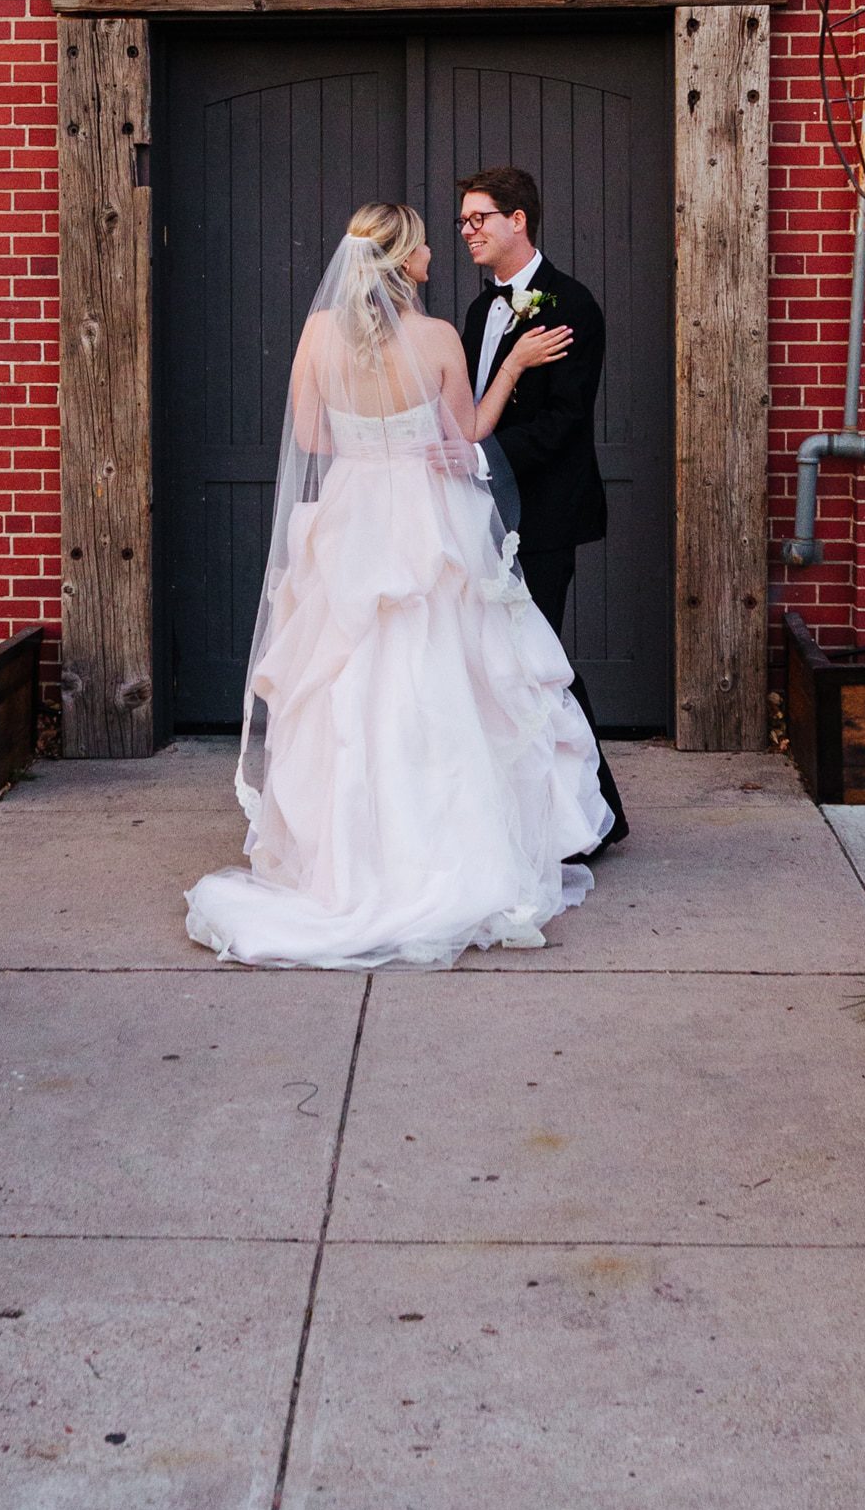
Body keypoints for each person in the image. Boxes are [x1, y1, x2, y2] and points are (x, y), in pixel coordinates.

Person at [184, 203, 614, 969]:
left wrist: (365, 436)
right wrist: (512, 368)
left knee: (348, 675)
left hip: (352, 511)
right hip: (424, 510)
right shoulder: (438, 337)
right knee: (442, 671)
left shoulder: (319, 337)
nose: (433, 255)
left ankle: (346, 855)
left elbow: (312, 438)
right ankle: (448, 845)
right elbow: (467, 437)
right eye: (421, 246)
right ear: (401, 261)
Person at [457, 166, 629, 851]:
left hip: (544, 514)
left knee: (540, 661)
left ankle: (595, 815)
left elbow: (562, 422)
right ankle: (547, 811)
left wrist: (478, 458)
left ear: (517, 220)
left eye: (478, 219)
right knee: (511, 662)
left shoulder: (572, 306)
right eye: (464, 221)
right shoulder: (478, 312)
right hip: (480, 514)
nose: (467, 231)